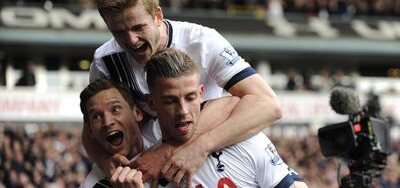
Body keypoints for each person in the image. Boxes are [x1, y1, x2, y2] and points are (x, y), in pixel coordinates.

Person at [86, 0, 283, 185]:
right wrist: (106, 162)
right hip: (143, 159)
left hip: (204, 140)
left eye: (138, 27)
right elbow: (89, 130)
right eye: (119, 32)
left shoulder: (203, 42)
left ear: (158, 15)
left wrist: (191, 148)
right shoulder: (105, 61)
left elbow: (267, 104)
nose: (131, 40)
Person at [80, 49, 308, 188]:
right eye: (170, 101)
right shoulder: (144, 174)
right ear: (151, 104)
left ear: (200, 94)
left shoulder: (244, 139)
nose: (183, 110)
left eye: (190, 98)